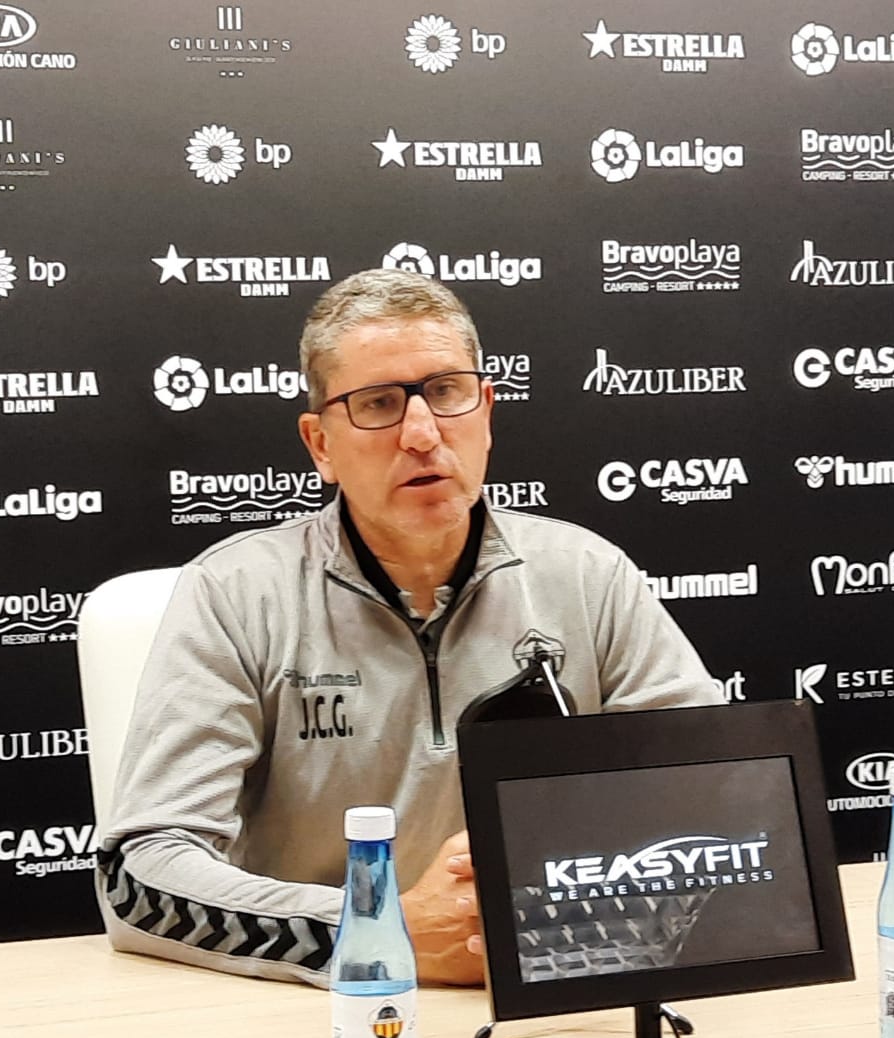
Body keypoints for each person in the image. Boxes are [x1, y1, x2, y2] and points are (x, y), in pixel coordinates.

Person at [95, 268, 724, 986]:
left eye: (447, 392)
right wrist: (376, 928)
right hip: (321, 1006)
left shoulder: (588, 575)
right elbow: (139, 875)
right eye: (378, 404)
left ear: (487, 411)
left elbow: (718, 798)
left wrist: (585, 915)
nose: (422, 434)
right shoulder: (235, 593)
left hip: (553, 989)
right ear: (321, 445)